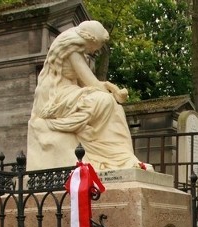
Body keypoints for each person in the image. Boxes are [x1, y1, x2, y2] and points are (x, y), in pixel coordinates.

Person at [27, 20, 147, 172]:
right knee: (104, 101)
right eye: (96, 47)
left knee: (112, 105)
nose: (94, 52)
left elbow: (89, 84)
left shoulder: (75, 49)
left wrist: (112, 89)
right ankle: (115, 157)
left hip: (68, 92)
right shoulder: (72, 51)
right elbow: (92, 83)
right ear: (90, 39)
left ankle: (121, 157)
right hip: (57, 96)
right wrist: (112, 93)